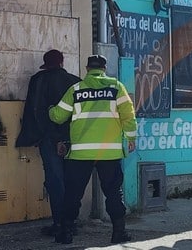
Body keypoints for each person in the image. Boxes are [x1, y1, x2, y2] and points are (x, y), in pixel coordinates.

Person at [49, 54, 137, 245]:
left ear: (87, 69)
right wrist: (131, 138)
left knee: (73, 193)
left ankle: (65, 233)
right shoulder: (116, 87)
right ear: (104, 69)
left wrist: (49, 109)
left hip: (81, 153)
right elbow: (128, 115)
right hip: (109, 153)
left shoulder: (76, 89)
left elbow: (57, 116)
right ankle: (118, 233)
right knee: (113, 192)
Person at [15, 49, 81, 236]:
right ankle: (71, 222)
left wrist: (37, 136)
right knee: (72, 180)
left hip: (49, 139)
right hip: (73, 139)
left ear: (46, 64)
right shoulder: (76, 82)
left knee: (55, 181)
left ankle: (59, 223)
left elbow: (35, 112)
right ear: (62, 62)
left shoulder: (38, 81)